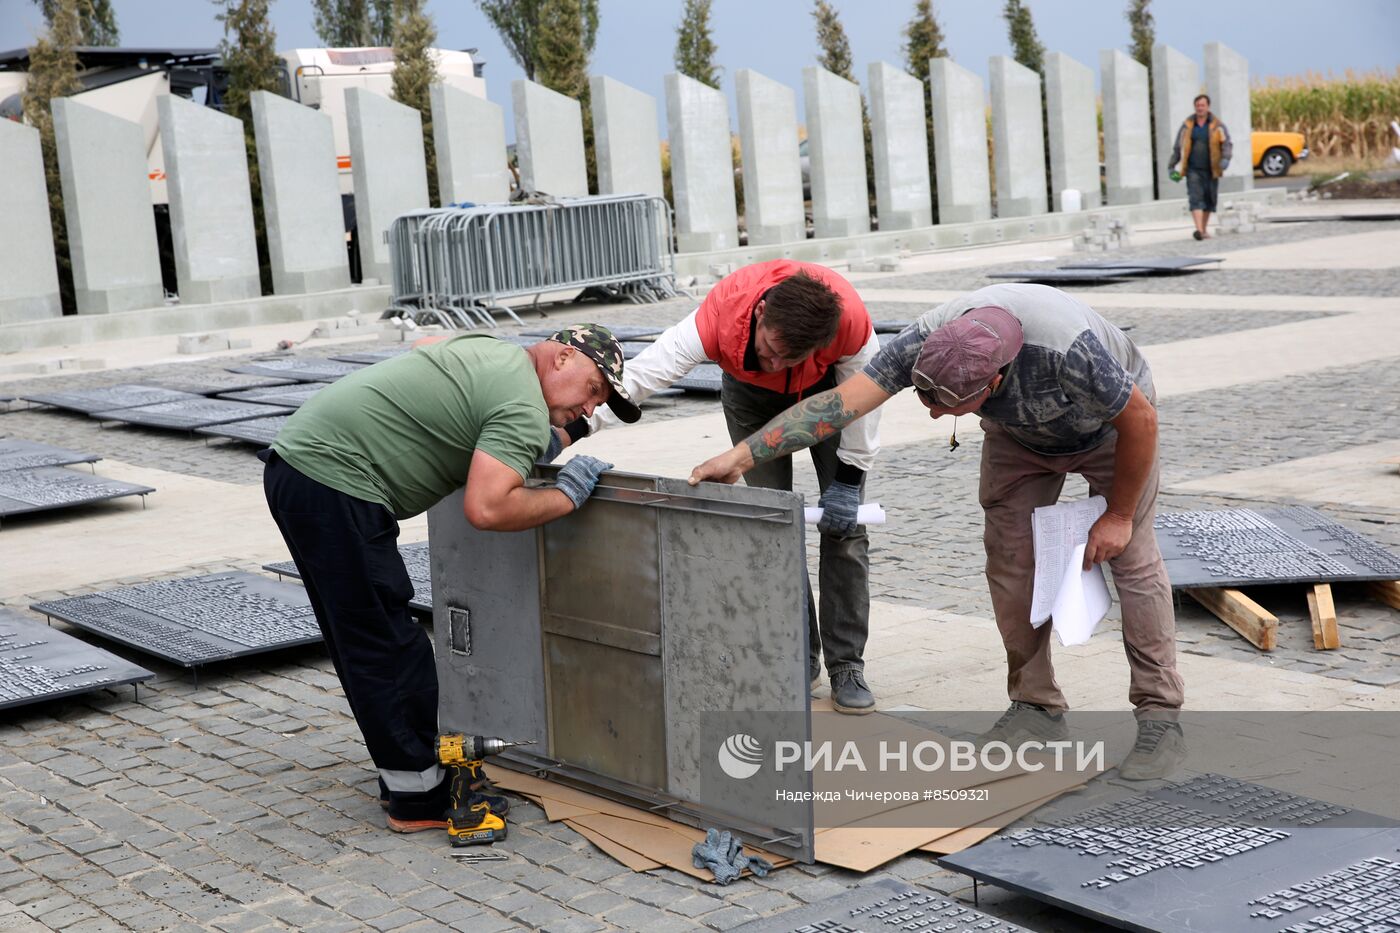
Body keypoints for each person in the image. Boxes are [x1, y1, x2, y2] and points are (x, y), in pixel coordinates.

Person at [689, 283, 1187, 780]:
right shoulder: (926, 339)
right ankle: (1036, 709)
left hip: (1112, 433)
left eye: (946, 404)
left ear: (993, 382)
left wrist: (1119, 516)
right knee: (1011, 561)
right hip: (1019, 438)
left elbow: (1140, 420)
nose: (932, 412)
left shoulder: (1069, 351)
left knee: (1134, 560)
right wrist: (739, 456)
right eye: (926, 396)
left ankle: (1160, 718)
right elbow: (838, 406)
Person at [262, 325, 638, 832]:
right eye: (594, 390)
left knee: (365, 637)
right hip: (336, 482)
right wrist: (565, 498)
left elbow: (425, 347)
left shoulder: (492, 354)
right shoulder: (523, 406)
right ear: (564, 358)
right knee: (388, 646)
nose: (591, 408)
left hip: (301, 465)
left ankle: (407, 775)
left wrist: (557, 436)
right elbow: (486, 506)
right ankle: (418, 801)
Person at [559, 260, 884, 714]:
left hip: (829, 395)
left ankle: (847, 665)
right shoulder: (718, 316)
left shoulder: (850, 327)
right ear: (762, 312)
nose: (773, 362)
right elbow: (640, 378)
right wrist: (572, 429)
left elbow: (867, 400)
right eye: (769, 349)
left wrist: (849, 479)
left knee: (845, 530)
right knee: (773, 525)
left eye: (785, 358)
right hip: (749, 397)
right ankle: (798, 656)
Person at [1170, 93, 1233, 241]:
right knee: (1195, 198)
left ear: (1208, 107)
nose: (1200, 108)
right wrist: (1171, 166)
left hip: (1212, 168)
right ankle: (1198, 230)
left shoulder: (1217, 125)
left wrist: (1226, 158)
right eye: (1198, 105)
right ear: (1195, 107)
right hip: (1192, 169)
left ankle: (1203, 229)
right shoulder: (1187, 125)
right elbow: (1178, 146)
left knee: (1209, 200)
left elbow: (1227, 143)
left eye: (1202, 105)